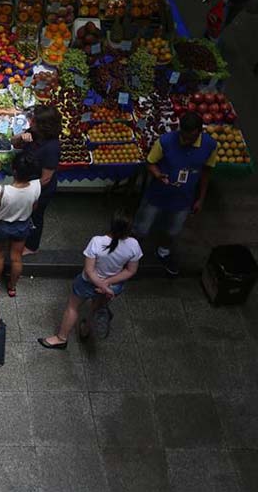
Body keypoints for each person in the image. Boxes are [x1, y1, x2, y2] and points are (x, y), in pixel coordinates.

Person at [39, 212, 142, 349]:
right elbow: (130, 270)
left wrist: (101, 284)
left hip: (88, 283)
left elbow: (89, 270)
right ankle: (86, 329)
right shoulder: (133, 244)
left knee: (73, 307)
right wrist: (107, 284)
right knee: (97, 307)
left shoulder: (98, 242)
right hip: (113, 286)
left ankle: (61, 338)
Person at [131, 112, 218, 276]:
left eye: (189, 138)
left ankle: (164, 252)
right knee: (141, 228)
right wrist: (157, 175)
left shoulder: (210, 145)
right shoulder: (165, 141)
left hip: (184, 199)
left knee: (173, 231)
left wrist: (201, 198)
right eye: (183, 136)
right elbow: (150, 162)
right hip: (157, 194)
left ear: (200, 132)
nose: (184, 141)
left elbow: (207, 171)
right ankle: (130, 252)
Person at [0, 151, 41, 297]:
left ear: (14, 170)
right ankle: (12, 287)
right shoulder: (36, 186)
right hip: (22, 226)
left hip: (1, 227)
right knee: (16, 258)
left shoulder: (2, 190)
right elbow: (34, 207)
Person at [11, 105, 61, 255]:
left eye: (34, 121)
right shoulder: (34, 131)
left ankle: (32, 246)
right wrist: (20, 137)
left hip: (39, 190)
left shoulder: (52, 148)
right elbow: (13, 142)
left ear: (44, 125)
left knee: (36, 216)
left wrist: (24, 190)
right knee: (25, 213)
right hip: (26, 182)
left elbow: (46, 179)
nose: (30, 122)